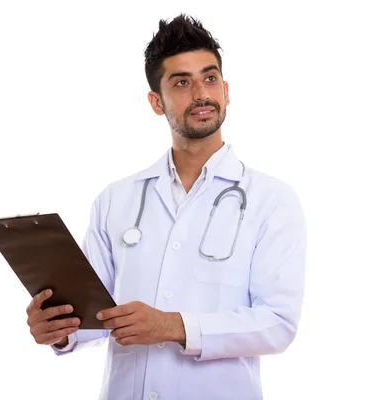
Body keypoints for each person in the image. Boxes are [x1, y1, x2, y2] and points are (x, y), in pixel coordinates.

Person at [25, 14, 306, 400]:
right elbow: (96, 313)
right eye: (182, 83)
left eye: (209, 79)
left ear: (226, 90)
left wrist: (174, 327)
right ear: (156, 102)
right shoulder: (116, 200)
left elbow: (277, 324)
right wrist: (60, 330)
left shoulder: (272, 200)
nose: (201, 94)